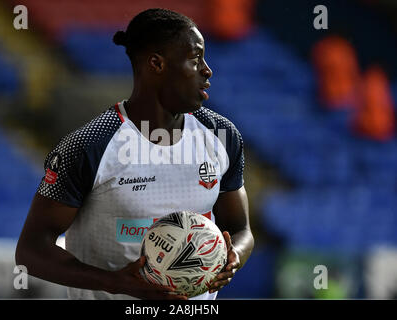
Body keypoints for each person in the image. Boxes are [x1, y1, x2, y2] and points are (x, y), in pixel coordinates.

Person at [15, 8, 254, 300]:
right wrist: (116, 283)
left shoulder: (222, 135)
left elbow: (240, 229)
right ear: (157, 64)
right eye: (195, 59)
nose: (207, 70)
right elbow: (31, 251)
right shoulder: (90, 145)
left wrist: (233, 257)